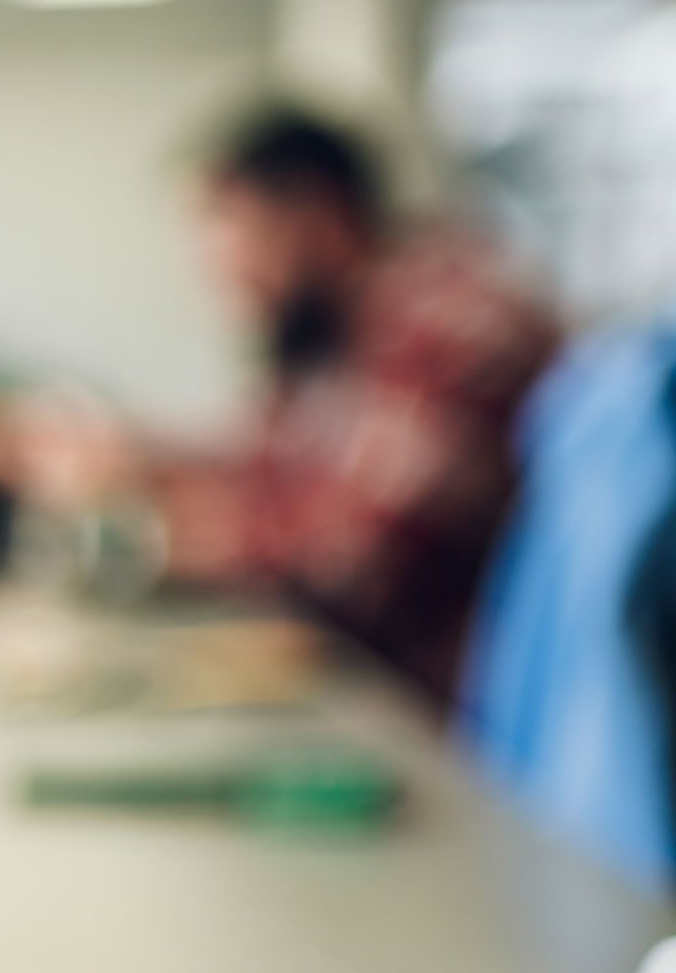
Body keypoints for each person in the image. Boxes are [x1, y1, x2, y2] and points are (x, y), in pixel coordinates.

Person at [30, 107, 558, 701]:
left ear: (317, 217)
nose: (218, 269)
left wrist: (155, 538)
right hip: (393, 710)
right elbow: (262, 473)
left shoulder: (450, 321)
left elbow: (351, 559)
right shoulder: (334, 341)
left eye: (227, 225)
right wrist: (135, 461)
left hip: (471, 740)